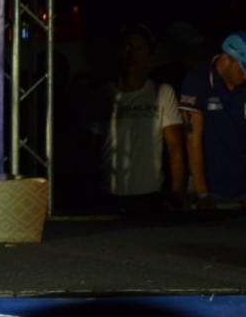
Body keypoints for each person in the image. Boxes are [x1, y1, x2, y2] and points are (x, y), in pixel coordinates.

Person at [90, 24, 186, 214]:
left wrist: (176, 195)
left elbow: (175, 147)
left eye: (139, 48)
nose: (132, 53)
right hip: (108, 195)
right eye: (127, 46)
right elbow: (89, 150)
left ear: (150, 56)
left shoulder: (162, 92)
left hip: (150, 197)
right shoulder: (100, 96)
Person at [179, 30, 246, 210]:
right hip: (210, 191)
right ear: (226, 59)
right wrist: (202, 194)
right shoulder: (197, 81)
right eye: (243, 68)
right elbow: (193, 141)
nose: (245, 76)